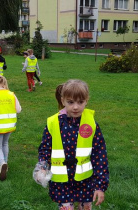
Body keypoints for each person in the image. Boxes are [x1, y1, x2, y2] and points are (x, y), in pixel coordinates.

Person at [36, 79, 109, 210]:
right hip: (62, 181)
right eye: (70, 102)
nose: (75, 107)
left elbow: (100, 154)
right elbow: (45, 148)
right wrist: (42, 166)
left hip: (86, 180)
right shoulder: (53, 123)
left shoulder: (91, 124)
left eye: (80, 102)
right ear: (63, 100)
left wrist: (100, 185)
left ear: (87, 100)